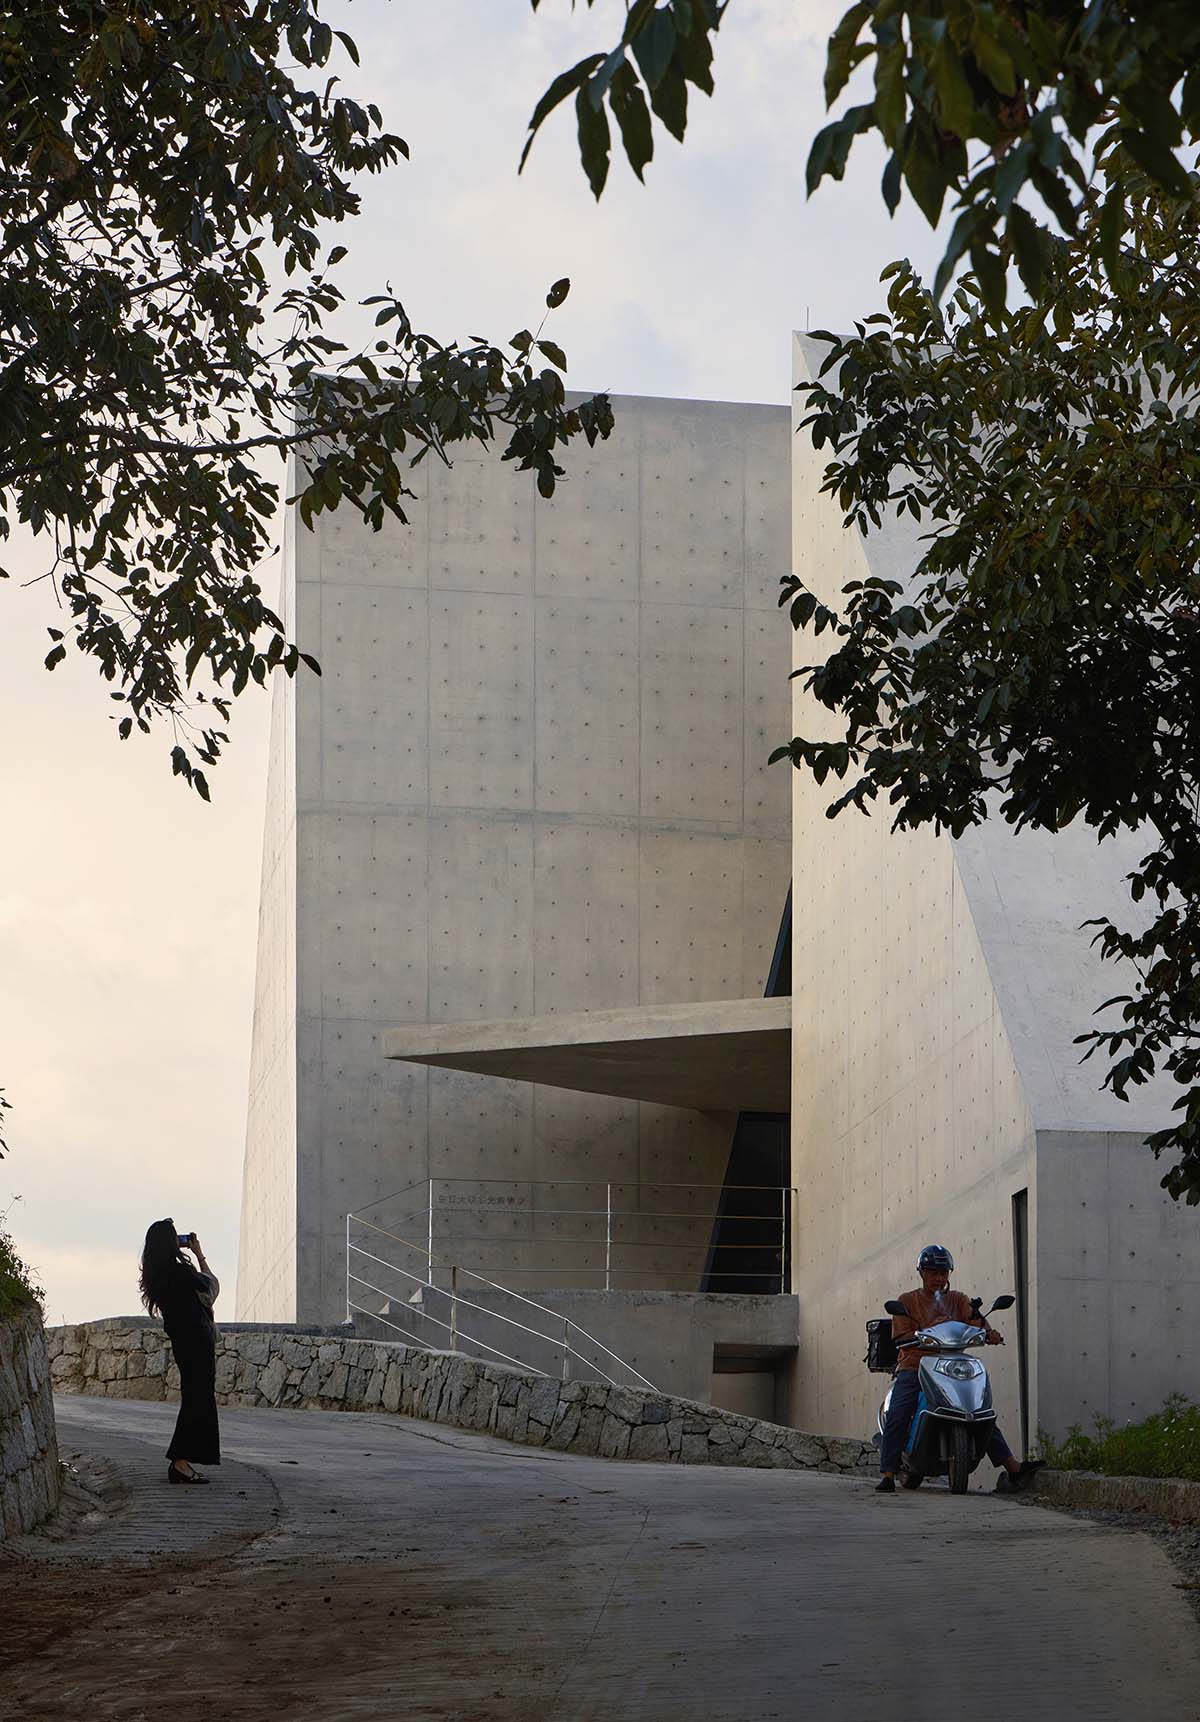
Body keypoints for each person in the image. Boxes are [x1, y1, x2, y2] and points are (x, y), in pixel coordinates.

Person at [876, 1243, 1038, 1495]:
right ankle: (887, 1473)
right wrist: (914, 1339)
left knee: (977, 1409)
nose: (939, 1279)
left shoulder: (958, 1300)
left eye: (943, 1273)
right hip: (915, 1364)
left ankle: (1013, 1468)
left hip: (951, 1365)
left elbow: (977, 1322)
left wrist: (989, 1333)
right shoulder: (907, 1302)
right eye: (933, 1272)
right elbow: (901, 1336)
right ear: (922, 1273)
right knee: (899, 1409)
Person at [139, 1219, 221, 1485]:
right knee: (198, 1401)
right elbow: (211, 1287)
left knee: (194, 1399)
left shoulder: (158, 1276)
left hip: (184, 1344)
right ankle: (180, 1462)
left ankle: (182, 1461)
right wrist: (199, 1254)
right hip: (197, 1342)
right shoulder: (180, 1273)